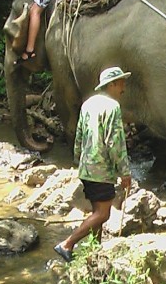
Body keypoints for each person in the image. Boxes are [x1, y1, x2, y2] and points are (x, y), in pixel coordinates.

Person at [53, 66, 132, 263]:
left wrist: (78, 159)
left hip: (87, 168)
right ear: (112, 84)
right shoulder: (113, 107)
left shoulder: (88, 104)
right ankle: (67, 244)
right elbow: (115, 142)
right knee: (103, 214)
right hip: (101, 170)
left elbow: (78, 135)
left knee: (97, 211)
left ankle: (95, 253)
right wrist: (124, 172)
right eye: (121, 82)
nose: (124, 87)